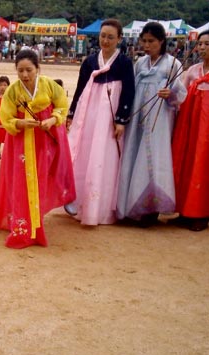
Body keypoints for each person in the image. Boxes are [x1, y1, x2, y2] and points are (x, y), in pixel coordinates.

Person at [0, 49, 76, 249]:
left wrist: (53, 119)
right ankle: (26, 227)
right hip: (21, 143)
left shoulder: (48, 85)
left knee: (42, 179)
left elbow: (62, 105)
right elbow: (6, 116)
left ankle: (35, 220)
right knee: (22, 182)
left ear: (38, 68)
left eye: (29, 70)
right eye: (20, 70)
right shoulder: (13, 90)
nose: (24, 75)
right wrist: (19, 123)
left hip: (46, 140)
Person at [65, 19, 135, 225]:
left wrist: (121, 120)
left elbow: (129, 92)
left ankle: (101, 208)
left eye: (111, 37)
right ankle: (79, 203)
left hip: (110, 116)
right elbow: (79, 89)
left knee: (105, 156)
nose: (105, 40)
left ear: (119, 39)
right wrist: (72, 114)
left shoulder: (124, 63)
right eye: (103, 36)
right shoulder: (89, 62)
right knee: (85, 153)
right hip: (89, 113)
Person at [117, 22, 187, 227]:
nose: (147, 45)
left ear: (161, 41)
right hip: (138, 117)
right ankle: (130, 207)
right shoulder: (139, 63)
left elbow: (180, 94)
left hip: (160, 119)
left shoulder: (173, 64)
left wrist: (170, 94)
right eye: (144, 41)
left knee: (154, 159)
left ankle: (150, 209)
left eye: (151, 41)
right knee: (133, 154)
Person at [170, 30, 209, 232]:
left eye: (207, 44)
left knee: (204, 168)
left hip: (207, 131)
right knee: (188, 164)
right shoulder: (193, 71)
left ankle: (202, 214)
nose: (202, 48)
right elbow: (181, 97)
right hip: (192, 127)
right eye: (200, 44)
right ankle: (185, 212)